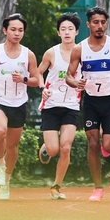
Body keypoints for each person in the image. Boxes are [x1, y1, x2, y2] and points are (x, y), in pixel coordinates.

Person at [65, 6, 110, 202]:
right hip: (91, 103)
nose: (99, 26)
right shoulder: (80, 49)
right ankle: (97, 187)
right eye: (95, 22)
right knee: (92, 144)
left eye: (103, 22)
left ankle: (109, 148)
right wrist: (75, 83)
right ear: (88, 24)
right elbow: (68, 76)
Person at [0, 13, 41, 200]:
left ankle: (6, 182)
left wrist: (23, 79)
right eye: (13, 29)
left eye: (20, 30)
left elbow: (37, 80)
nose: (17, 33)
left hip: (18, 103)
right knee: (0, 132)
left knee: (12, 147)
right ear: (5, 30)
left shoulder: (28, 54)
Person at [37, 13, 82, 200]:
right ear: (58, 33)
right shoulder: (51, 53)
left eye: (70, 29)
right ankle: (46, 148)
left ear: (77, 32)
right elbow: (38, 73)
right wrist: (42, 88)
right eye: (63, 29)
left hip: (71, 105)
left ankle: (56, 186)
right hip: (51, 105)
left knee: (65, 148)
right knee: (54, 149)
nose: (67, 32)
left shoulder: (83, 53)